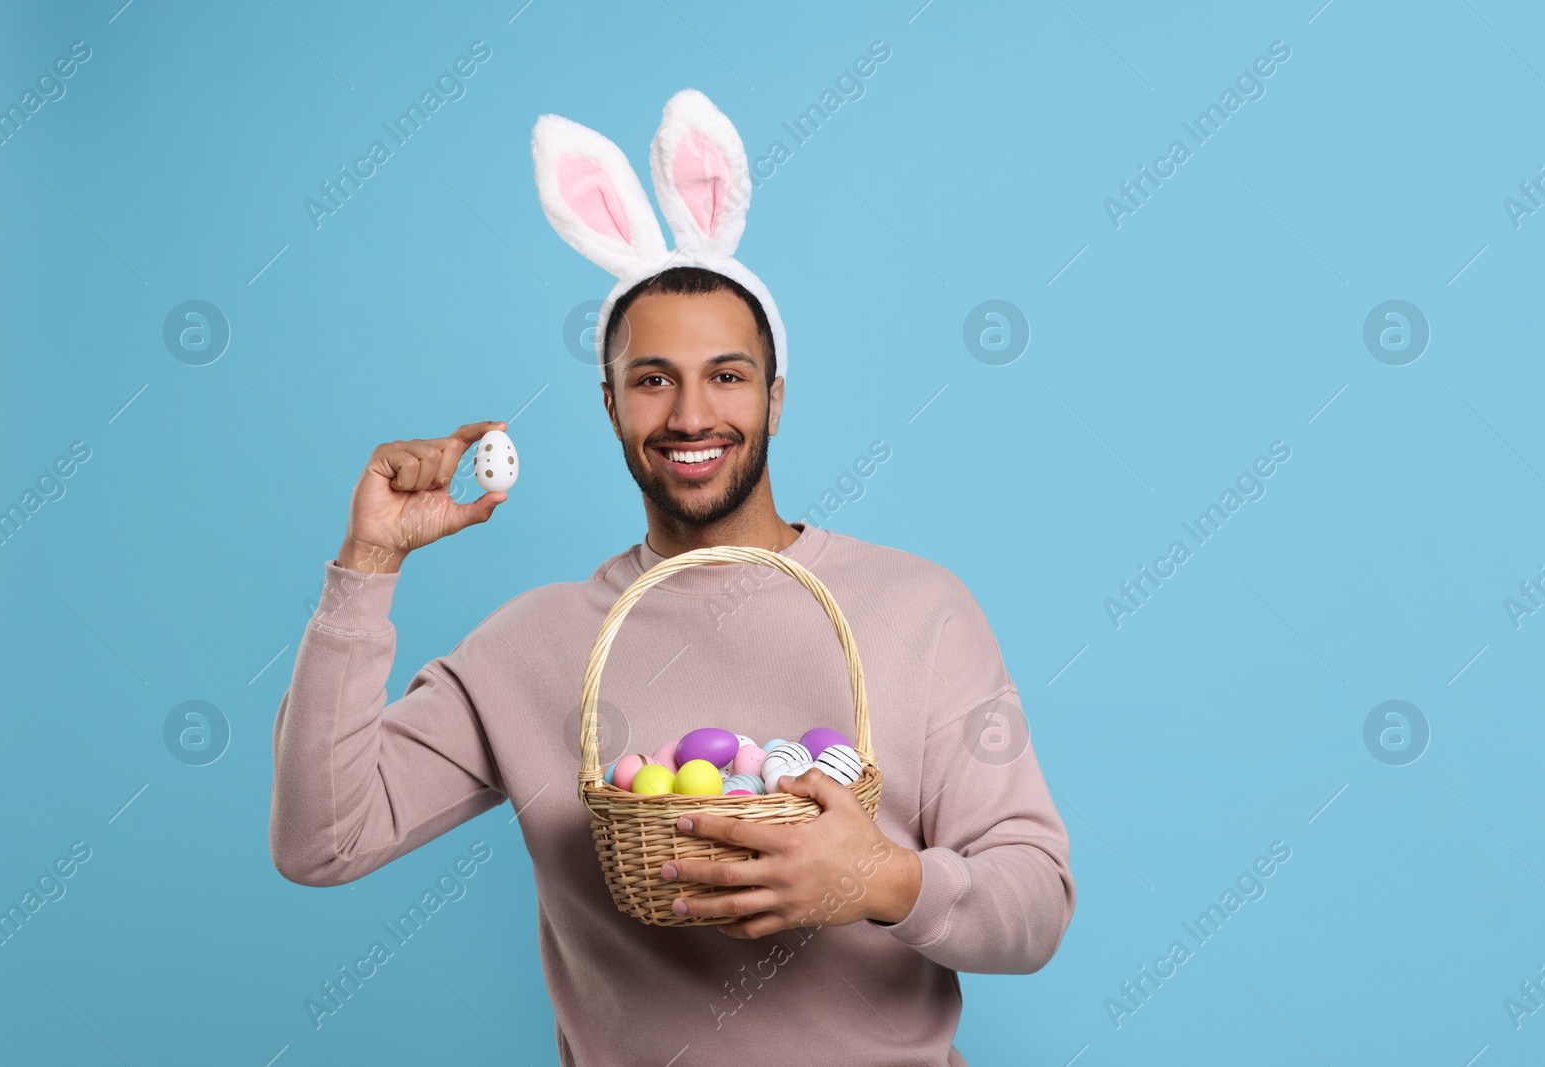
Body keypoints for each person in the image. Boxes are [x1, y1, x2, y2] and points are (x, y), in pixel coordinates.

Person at [272, 89, 1074, 1066]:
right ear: (610, 403)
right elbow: (321, 840)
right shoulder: (532, 643)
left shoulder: (919, 610)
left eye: (727, 375)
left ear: (775, 397)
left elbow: (1034, 907)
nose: (692, 413)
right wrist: (367, 563)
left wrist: (882, 881)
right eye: (653, 379)